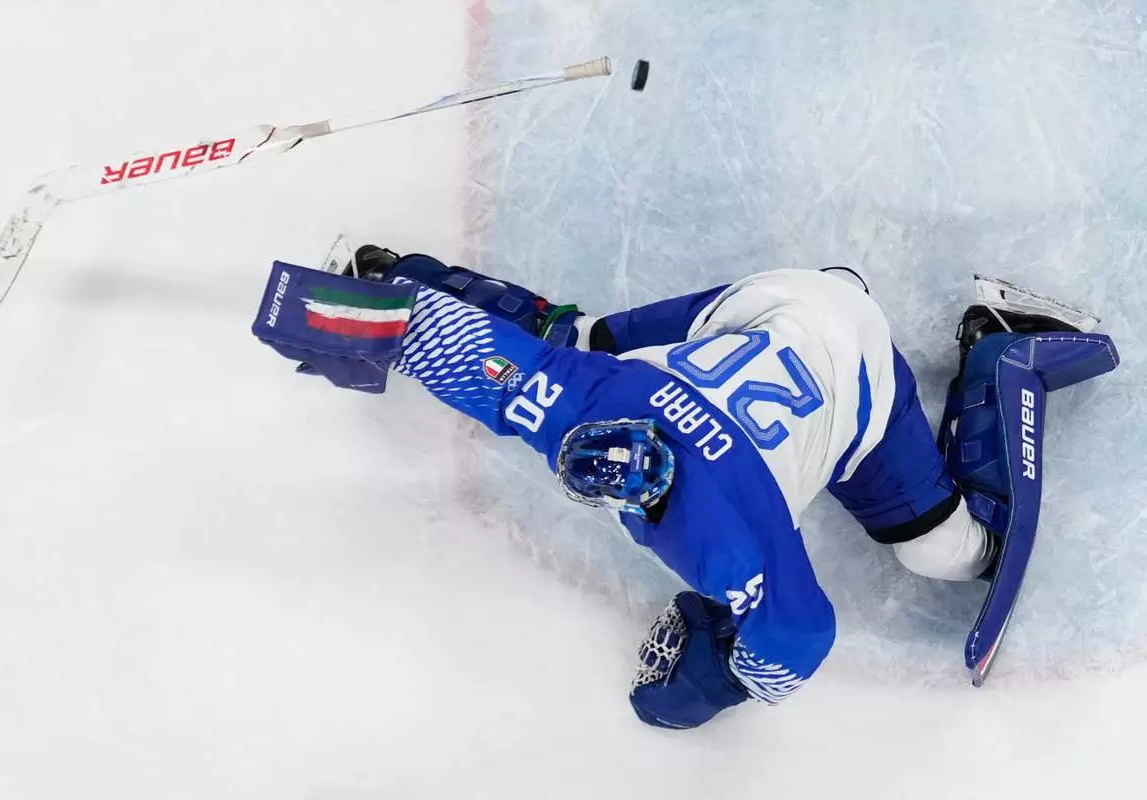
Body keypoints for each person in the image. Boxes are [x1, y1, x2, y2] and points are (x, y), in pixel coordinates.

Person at [251, 246, 1119, 729]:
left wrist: (718, 674)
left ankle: (1004, 354)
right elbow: (451, 345)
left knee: (952, 553)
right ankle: (864, 295)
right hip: (781, 301)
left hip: (856, 364)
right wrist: (342, 308)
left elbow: (801, 639)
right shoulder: (579, 405)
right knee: (582, 340)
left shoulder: (729, 540)